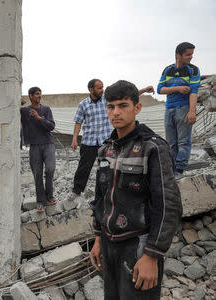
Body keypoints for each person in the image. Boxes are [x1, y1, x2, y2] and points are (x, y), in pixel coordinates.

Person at [89, 80, 182, 299]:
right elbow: (100, 198)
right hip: (109, 246)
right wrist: (98, 238)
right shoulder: (106, 150)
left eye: (123, 106)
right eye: (111, 107)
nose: (116, 113)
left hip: (138, 247)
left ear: (137, 108)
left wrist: (152, 255)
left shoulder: (153, 148)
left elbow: (168, 206)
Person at [68, 79, 154, 201]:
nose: (102, 90)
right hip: (89, 142)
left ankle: (106, 191)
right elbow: (78, 122)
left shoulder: (106, 100)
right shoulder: (83, 104)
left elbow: (126, 98)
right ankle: (76, 191)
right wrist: (74, 139)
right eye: (99, 88)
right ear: (91, 89)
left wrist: (144, 90)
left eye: (102, 87)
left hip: (106, 141)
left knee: (107, 167)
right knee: (83, 168)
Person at [157, 42, 201, 179]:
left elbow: (194, 92)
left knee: (184, 141)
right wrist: (177, 89)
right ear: (178, 55)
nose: (191, 57)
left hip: (184, 108)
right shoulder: (167, 70)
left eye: (192, 54)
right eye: (188, 54)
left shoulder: (193, 70)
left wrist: (192, 111)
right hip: (169, 109)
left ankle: (179, 170)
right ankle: (172, 169)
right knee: (170, 142)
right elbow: (159, 89)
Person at [20, 87, 56, 212]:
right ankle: (40, 201)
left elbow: (51, 126)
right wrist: (18, 103)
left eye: (40, 94)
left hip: (48, 144)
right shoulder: (25, 111)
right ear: (30, 96)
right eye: (36, 94)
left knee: (50, 170)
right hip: (34, 145)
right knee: (37, 174)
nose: (39, 96)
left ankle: (49, 196)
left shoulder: (46, 109)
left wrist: (39, 118)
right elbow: (11, 113)